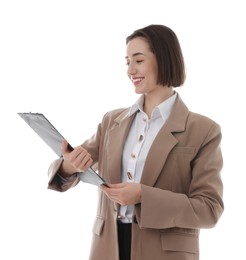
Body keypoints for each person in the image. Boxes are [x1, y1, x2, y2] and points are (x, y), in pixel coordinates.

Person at [48, 24, 224, 260]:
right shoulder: (112, 121)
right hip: (107, 248)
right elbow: (72, 165)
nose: (130, 70)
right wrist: (70, 165)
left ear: (163, 59)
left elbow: (209, 209)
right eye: (127, 62)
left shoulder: (203, 130)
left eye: (138, 60)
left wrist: (144, 196)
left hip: (164, 253)